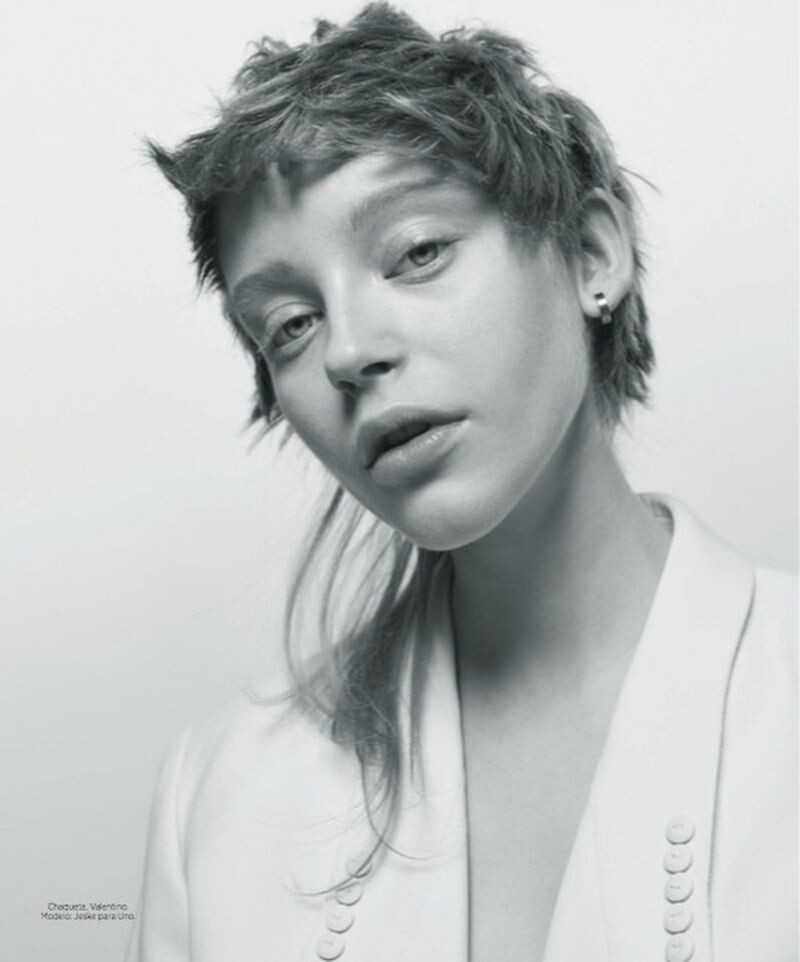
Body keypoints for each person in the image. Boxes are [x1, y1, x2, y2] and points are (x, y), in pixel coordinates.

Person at [126, 4, 797, 961]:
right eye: (290, 325)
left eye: (417, 252)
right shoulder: (217, 797)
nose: (348, 352)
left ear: (591, 255)